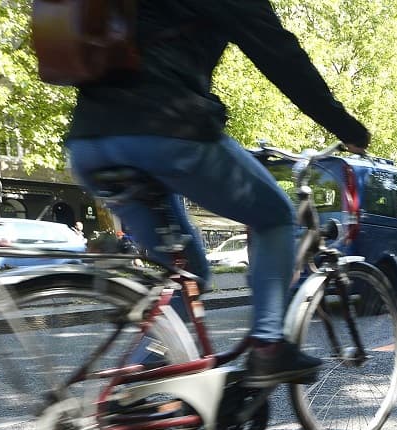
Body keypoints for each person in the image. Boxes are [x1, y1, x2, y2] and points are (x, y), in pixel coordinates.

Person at [64, 2, 370, 386]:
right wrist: (347, 128)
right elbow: (280, 55)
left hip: (88, 142)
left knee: (184, 275)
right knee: (275, 218)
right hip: (167, 130)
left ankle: (142, 391)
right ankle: (268, 346)